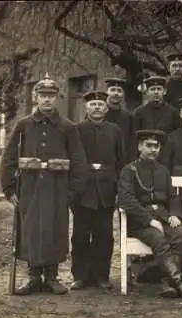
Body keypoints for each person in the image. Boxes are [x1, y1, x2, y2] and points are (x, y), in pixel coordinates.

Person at [0, 73, 87, 295]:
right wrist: (9, 189)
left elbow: (78, 160)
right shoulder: (23, 125)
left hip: (58, 189)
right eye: (42, 95)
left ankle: (52, 277)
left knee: (54, 230)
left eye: (51, 95)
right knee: (31, 230)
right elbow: (8, 158)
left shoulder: (68, 127)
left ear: (57, 98)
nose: (47, 100)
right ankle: (33, 277)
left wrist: (72, 192)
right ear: (35, 97)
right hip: (29, 188)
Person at [118, 129, 182, 300]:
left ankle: (167, 282)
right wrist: (148, 220)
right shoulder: (129, 170)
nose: (153, 150)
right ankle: (180, 283)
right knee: (158, 238)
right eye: (149, 145)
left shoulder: (163, 170)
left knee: (181, 235)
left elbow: (172, 196)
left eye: (156, 146)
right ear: (140, 147)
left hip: (163, 217)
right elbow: (126, 200)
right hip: (140, 222)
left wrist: (175, 214)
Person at [70, 90, 127, 290]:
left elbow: (121, 160)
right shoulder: (76, 129)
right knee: (80, 235)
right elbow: (72, 159)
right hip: (82, 189)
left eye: (100, 105)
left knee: (104, 234)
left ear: (106, 108)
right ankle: (80, 276)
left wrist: (120, 187)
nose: (97, 108)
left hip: (106, 187)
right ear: (86, 107)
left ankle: (102, 275)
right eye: (93, 104)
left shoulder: (115, 130)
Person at [104, 77, 134, 163]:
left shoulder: (128, 116)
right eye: (113, 90)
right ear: (107, 92)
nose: (116, 94)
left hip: (122, 161)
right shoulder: (98, 114)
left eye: (119, 91)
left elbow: (132, 142)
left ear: (123, 94)